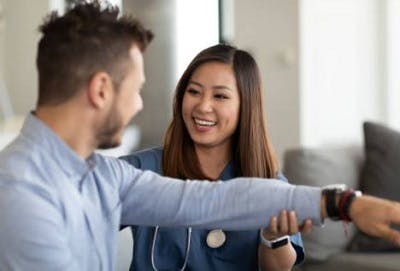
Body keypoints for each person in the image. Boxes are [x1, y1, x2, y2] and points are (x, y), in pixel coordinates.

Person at [0, 1, 400, 270]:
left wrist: (343, 203)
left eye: (220, 96)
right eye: (136, 89)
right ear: (102, 90)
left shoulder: (105, 178)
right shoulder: (20, 192)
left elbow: (215, 199)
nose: (140, 104)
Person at [120, 44, 310, 271]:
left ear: (245, 107)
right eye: (194, 92)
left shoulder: (270, 184)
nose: (203, 106)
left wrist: (274, 236)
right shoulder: (141, 170)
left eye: (220, 96)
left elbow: (277, 269)